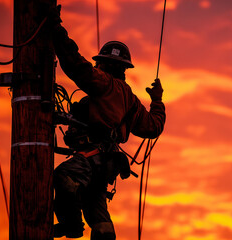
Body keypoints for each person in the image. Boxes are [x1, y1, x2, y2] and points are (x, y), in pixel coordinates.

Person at [49, 6, 166, 240]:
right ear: (124, 69)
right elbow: (153, 127)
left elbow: (75, 65)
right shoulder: (130, 100)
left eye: (100, 64)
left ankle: (71, 225)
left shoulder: (103, 82)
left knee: (63, 177)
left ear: (104, 65)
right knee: (100, 221)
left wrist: (55, 29)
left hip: (92, 159)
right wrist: (157, 101)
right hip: (106, 166)